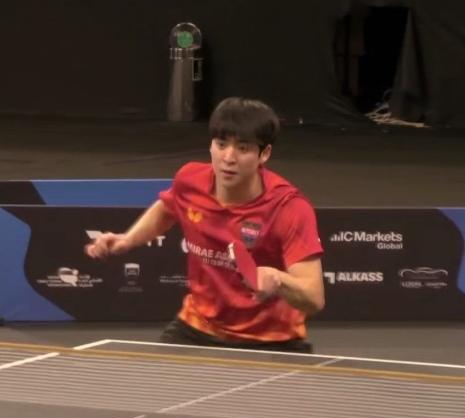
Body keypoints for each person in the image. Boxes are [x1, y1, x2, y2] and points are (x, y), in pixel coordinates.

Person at [86, 97, 324, 352]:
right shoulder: (190, 181)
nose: (228, 157)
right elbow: (167, 207)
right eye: (221, 145)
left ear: (264, 154)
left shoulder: (289, 208)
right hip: (197, 328)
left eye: (243, 148)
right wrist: (128, 239)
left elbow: (314, 298)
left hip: (272, 339)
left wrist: (279, 280)